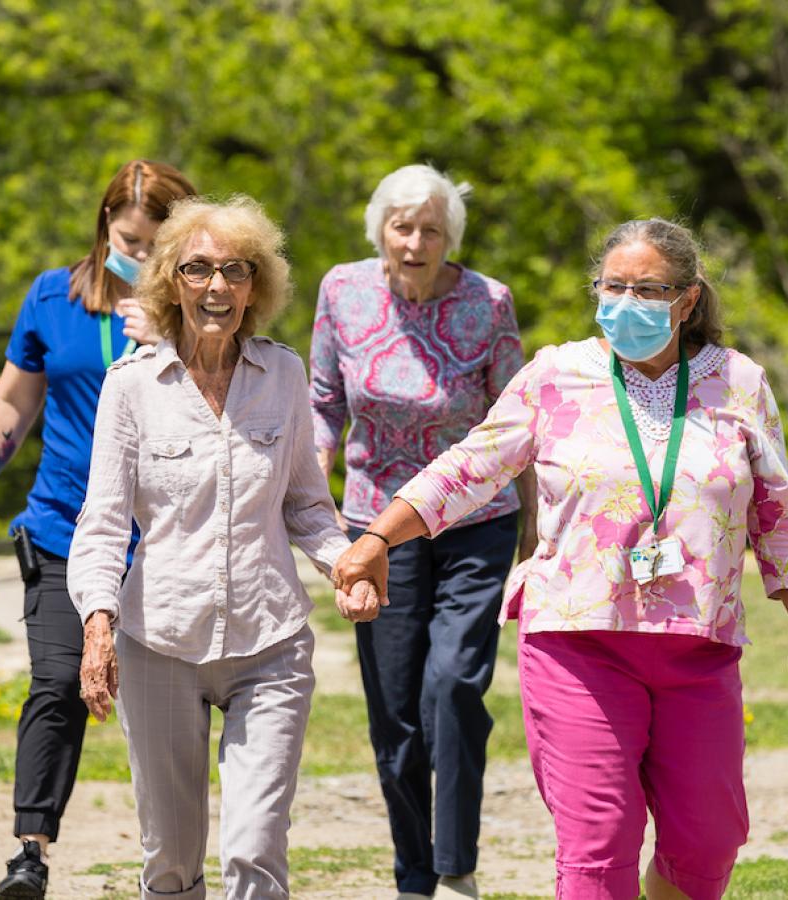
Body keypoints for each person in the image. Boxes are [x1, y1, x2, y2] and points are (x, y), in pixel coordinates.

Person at [333, 217, 788, 900]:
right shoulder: (556, 374)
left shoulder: (738, 382)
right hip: (576, 642)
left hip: (698, 648)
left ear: (687, 300)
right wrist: (374, 539)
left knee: (709, 840)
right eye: (612, 287)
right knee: (598, 842)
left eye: (648, 289)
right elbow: (470, 467)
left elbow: (778, 514)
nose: (626, 303)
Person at [67, 196, 371, 900]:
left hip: (271, 643)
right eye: (198, 269)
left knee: (255, 848)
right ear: (171, 281)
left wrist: (344, 565)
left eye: (236, 270)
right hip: (160, 642)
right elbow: (105, 523)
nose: (217, 287)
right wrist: (97, 625)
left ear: (255, 285)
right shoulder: (132, 389)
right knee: (170, 862)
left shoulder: (284, 376)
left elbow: (305, 506)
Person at [0, 159, 196, 899]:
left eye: (158, 244)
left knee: (168, 712)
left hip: (167, 538)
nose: (142, 256)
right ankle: (30, 854)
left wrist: (172, 336)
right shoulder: (52, 297)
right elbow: (12, 402)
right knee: (56, 683)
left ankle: (178, 865)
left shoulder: (207, 309)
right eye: (129, 239)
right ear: (105, 228)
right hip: (63, 526)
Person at [309, 163, 536, 900]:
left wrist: (533, 523)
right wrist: (312, 505)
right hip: (378, 528)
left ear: (450, 238)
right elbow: (322, 405)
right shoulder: (341, 292)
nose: (414, 241)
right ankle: (414, 875)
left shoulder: (488, 303)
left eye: (430, 229)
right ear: (380, 228)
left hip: (476, 522)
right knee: (396, 709)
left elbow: (514, 420)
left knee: (452, 688)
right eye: (402, 226)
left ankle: (455, 866)